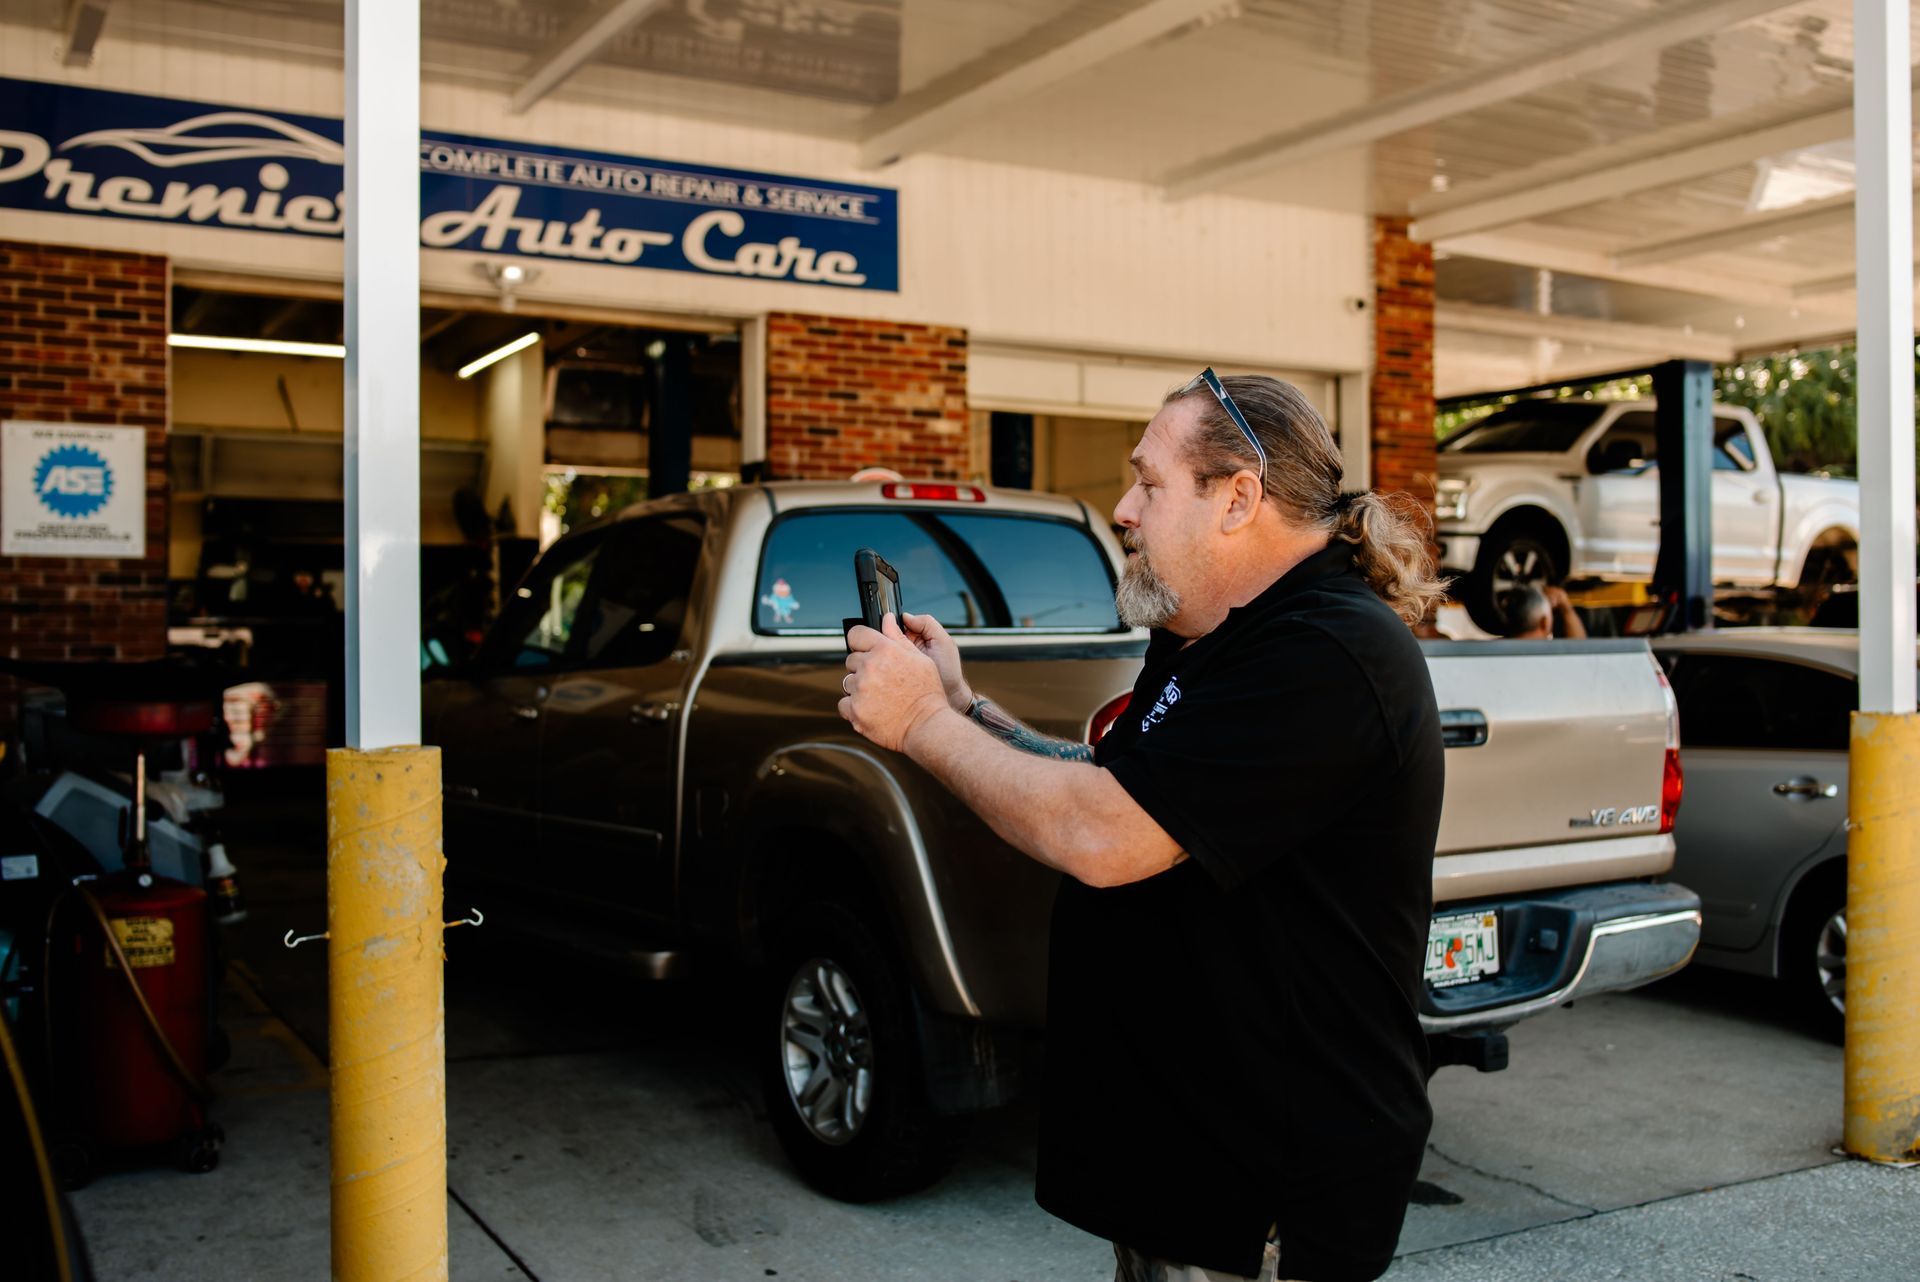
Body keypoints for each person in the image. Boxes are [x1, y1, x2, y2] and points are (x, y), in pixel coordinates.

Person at [839, 371, 1449, 1282]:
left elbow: (1109, 836)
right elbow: (1122, 784)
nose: (1122, 508)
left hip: (1262, 1193)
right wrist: (966, 707)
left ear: (1239, 497)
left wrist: (919, 726)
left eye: (1149, 483)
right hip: (1186, 1168)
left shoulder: (1325, 653)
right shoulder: (1210, 635)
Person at [1504, 584, 1586, 640]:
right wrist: (1565, 607)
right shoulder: (1547, 655)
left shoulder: (1494, 651)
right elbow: (1580, 649)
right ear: (1544, 622)